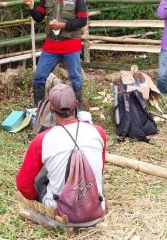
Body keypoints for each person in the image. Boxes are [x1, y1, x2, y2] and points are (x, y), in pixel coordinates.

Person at [16, 84, 106, 226]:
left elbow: (23, 184)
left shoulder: (42, 140)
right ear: (76, 104)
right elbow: (99, 172)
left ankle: (53, 202)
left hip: (59, 216)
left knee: (41, 174)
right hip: (96, 212)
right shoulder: (98, 132)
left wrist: (37, 198)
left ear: (51, 109)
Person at [22, 0, 88, 108]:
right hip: (51, 44)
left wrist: (63, 25)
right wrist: (31, 7)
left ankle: (77, 110)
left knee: (76, 79)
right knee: (39, 77)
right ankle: (38, 110)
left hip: (71, 43)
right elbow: (39, 17)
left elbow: (82, 20)